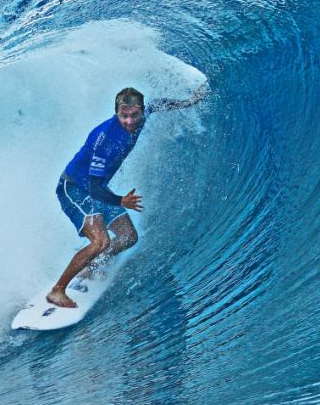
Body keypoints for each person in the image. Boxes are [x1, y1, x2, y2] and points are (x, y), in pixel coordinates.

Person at [48, 84, 208, 308]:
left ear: (141, 111)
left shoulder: (143, 115)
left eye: (134, 115)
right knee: (100, 241)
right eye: (124, 116)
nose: (130, 121)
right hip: (74, 188)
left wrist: (189, 102)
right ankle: (57, 290)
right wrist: (120, 201)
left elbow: (158, 104)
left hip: (97, 190)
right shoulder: (104, 139)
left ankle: (91, 264)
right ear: (116, 113)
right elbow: (93, 188)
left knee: (128, 237)